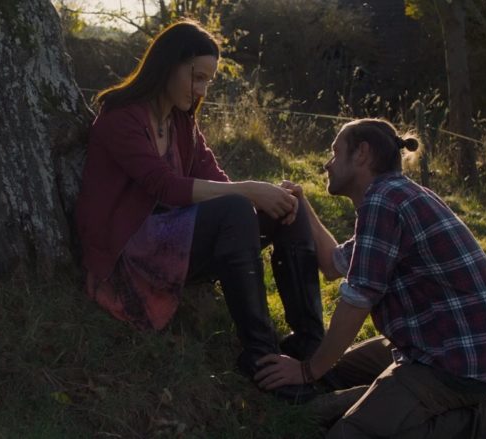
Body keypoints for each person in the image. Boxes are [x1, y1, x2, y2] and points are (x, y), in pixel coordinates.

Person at [74, 20, 324, 398]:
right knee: (237, 208)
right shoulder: (120, 117)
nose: (203, 90)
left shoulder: (181, 122)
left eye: (209, 81)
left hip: (175, 237)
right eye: (198, 77)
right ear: (169, 64)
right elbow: (165, 187)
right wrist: (247, 191)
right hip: (131, 252)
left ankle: (309, 347)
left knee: (287, 205)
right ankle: (261, 357)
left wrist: (267, 196)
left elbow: (215, 179)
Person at [255, 118, 486, 437]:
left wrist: (307, 370)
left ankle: (482, 422)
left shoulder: (385, 200)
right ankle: (386, 399)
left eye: (335, 153)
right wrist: (302, 204)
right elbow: (334, 264)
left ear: (362, 153)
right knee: (333, 375)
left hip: (458, 364)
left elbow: (357, 301)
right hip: (431, 344)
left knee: (348, 433)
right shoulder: (394, 196)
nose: (327, 164)